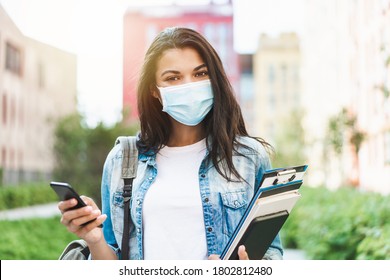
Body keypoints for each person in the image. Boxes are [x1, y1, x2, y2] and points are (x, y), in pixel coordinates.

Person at [58, 26, 283, 260]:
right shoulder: (122, 159)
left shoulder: (249, 157)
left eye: (200, 74)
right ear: (155, 91)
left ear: (214, 79)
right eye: (173, 78)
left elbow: (271, 253)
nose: (189, 85)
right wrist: (95, 240)